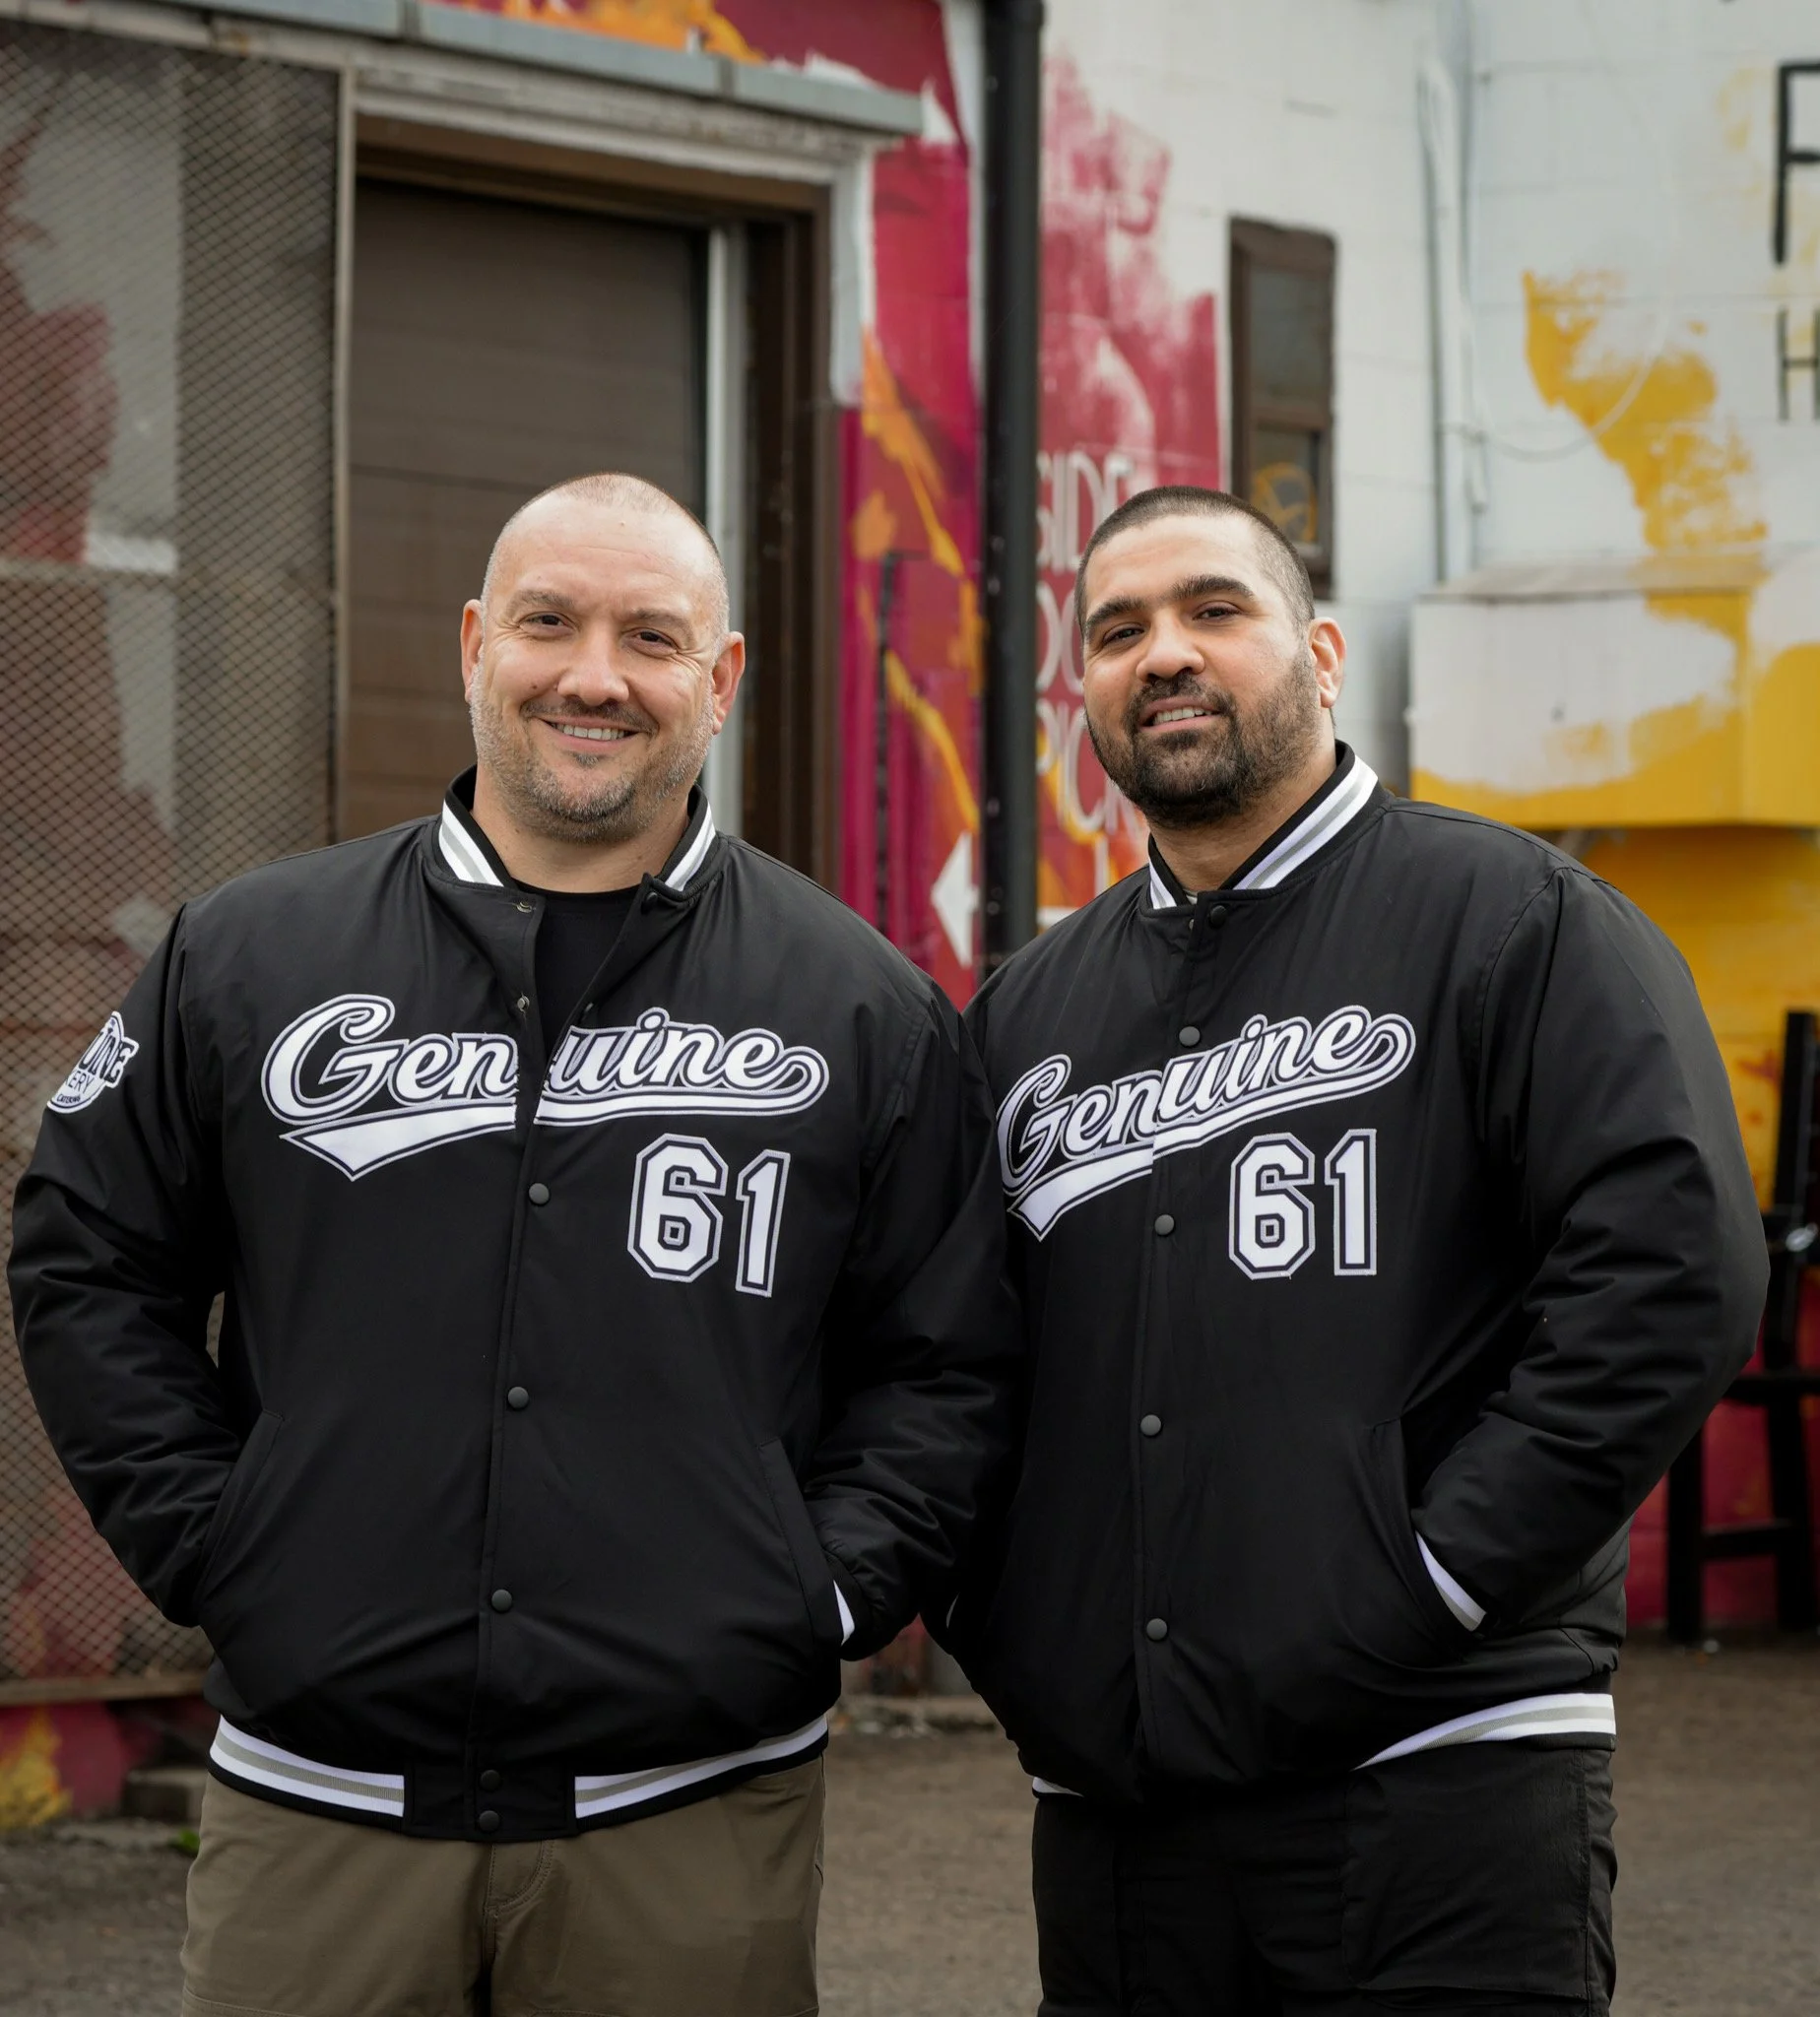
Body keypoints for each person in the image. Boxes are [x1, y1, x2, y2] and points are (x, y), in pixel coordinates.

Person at [11, 472, 1017, 2017]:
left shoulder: (860, 1005)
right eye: (551, 623)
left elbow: (946, 1358)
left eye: (651, 637)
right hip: (319, 1808)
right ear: (478, 644)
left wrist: (815, 1593)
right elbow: (88, 1256)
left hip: (690, 1816)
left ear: (722, 678)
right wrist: (219, 1540)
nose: (594, 675)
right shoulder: (253, 954)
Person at [949, 485, 1766, 2015]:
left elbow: (1671, 1276)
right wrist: (1019, 1629)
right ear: (1088, 697)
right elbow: (951, 1358)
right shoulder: (1027, 1015)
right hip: (1124, 1811)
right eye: (1117, 631)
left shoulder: (1517, 919)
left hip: (1441, 1777)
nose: (1165, 653)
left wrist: (1433, 1580)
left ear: (1321, 656)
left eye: (1216, 609)